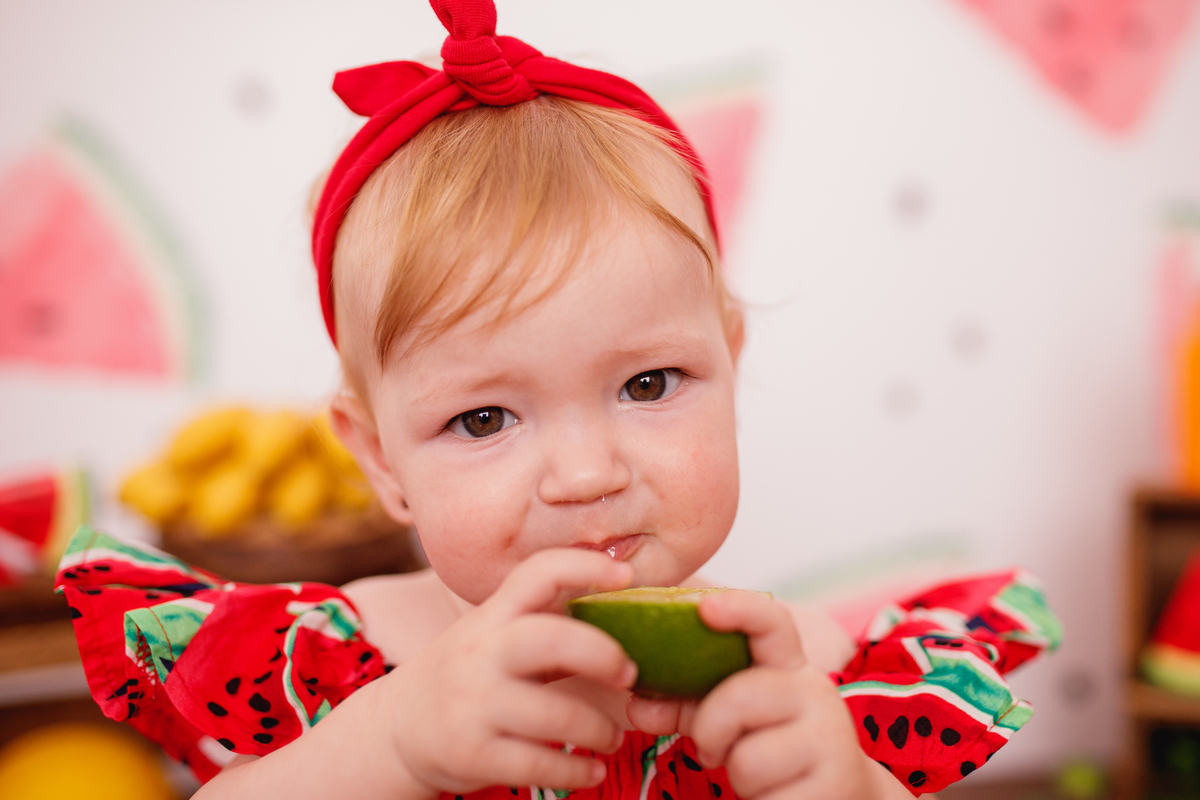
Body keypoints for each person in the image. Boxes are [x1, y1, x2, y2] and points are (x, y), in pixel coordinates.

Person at [55, 1, 1060, 798]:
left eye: (648, 383)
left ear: (732, 361)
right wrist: (394, 748)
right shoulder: (335, 663)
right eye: (483, 417)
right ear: (379, 459)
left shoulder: (816, 669)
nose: (588, 474)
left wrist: (853, 787)